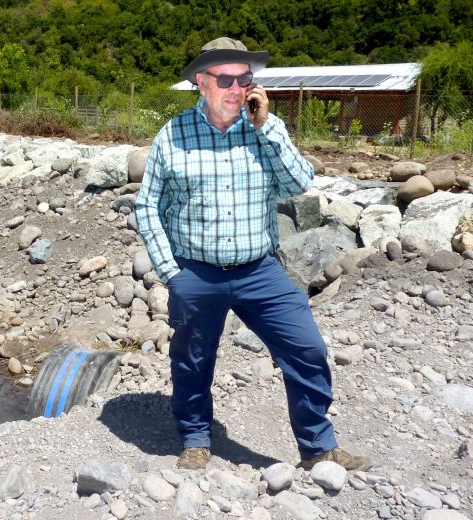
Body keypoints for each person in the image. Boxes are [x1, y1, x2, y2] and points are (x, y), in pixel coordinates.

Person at [134, 37, 371, 471]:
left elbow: (299, 184)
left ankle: (318, 447)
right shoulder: (173, 134)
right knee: (192, 360)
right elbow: (147, 206)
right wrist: (172, 273)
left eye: (244, 78)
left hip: (259, 270)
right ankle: (195, 438)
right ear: (201, 83)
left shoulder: (264, 129)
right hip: (196, 272)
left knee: (307, 349)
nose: (237, 87)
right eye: (225, 78)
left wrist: (267, 128)